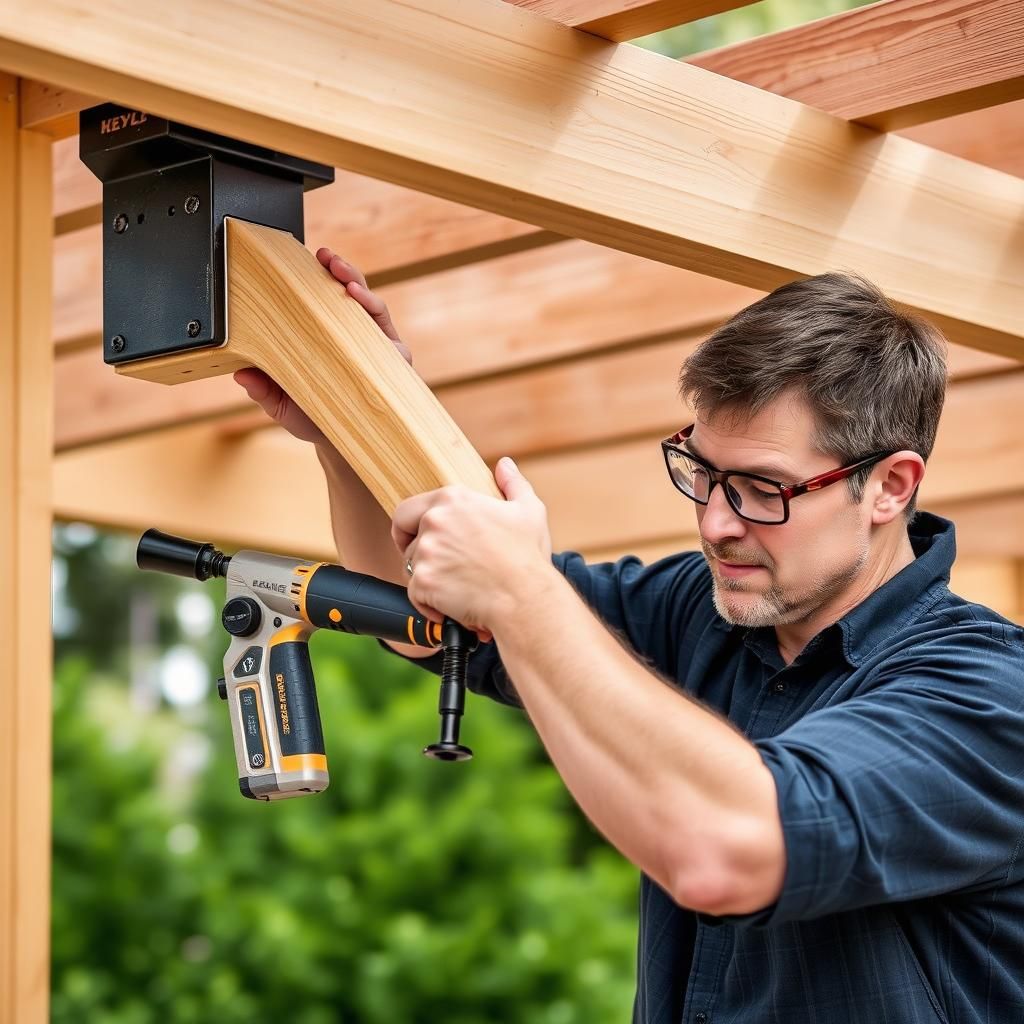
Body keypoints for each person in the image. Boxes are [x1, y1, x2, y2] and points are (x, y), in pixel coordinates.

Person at [235, 248, 1024, 1023]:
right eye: (702, 472)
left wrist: (526, 590)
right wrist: (352, 426)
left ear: (890, 487)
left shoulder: (989, 692)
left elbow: (727, 850)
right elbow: (430, 612)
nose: (716, 523)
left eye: (762, 490)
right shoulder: (700, 607)